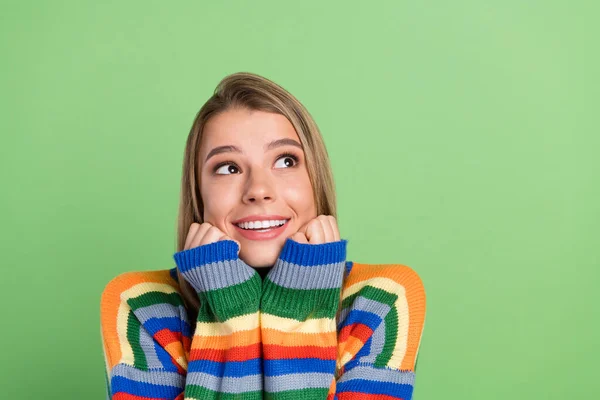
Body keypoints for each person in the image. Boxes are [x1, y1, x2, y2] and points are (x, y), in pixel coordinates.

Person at [100, 72, 426, 400]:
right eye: (228, 167)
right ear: (198, 195)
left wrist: (298, 307)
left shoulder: (381, 301)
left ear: (316, 181)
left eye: (286, 161)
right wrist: (230, 311)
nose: (258, 190)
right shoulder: (142, 304)